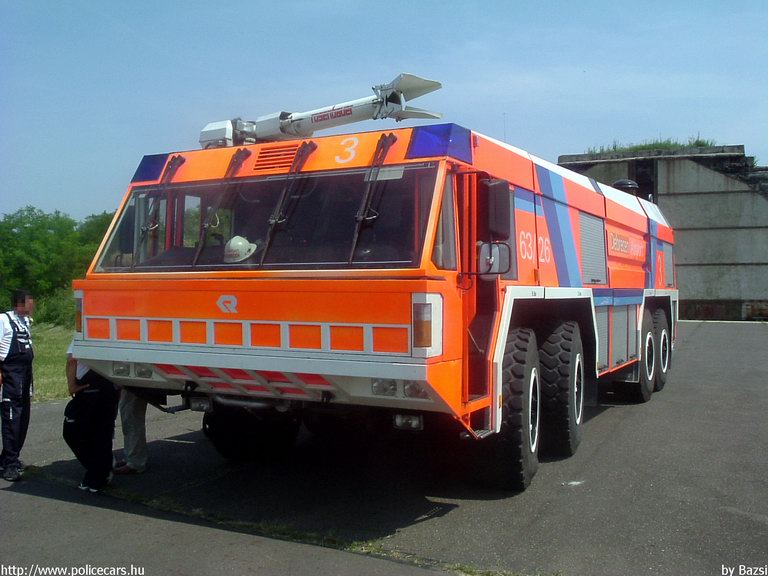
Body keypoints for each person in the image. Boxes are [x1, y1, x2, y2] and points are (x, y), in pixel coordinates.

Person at [63, 343, 118, 492]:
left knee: (74, 432)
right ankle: (101, 472)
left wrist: (71, 385)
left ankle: (98, 474)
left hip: (89, 390)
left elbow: (71, 360)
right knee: (102, 434)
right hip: (108, 389)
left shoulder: (85, 332)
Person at [0, 289, 35, 482]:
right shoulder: (3, 320)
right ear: (20, 303)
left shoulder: (26, 322)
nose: (33, 305)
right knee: (12, 422)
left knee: (22, 420)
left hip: (25, 377)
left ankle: (8, 457)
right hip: (10, 378)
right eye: (31, 302)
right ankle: (10, 466)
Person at [113, 388, 148, 475]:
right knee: (128, 415)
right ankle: (131, 458)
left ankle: (135, 462)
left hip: (134, 384)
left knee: (131, 416)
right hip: (130, 385)